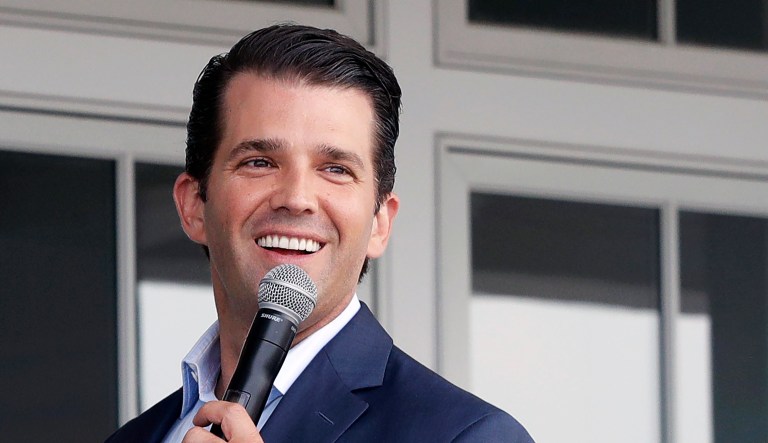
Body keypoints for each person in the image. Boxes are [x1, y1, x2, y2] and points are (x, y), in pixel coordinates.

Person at [106, 24, 533, 443]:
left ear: (380, 223)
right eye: (259, 162)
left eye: (336, 169)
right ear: (194, 205)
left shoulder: (473, 436)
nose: (296, 198)